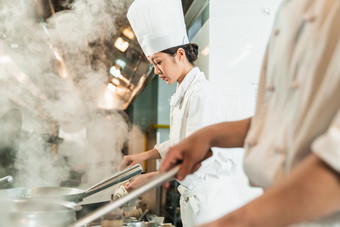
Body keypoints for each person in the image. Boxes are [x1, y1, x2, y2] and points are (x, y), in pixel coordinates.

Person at [160, 0, 340, 226]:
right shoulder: (292, 10)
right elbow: (288, 122)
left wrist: (233, 222)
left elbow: (334, 171)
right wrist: (208, 135)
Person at [119, 0, 251, 226]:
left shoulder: (202, 93)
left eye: (158, 62)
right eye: (153, 64)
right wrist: (144, 156)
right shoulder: (184, 91)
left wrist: (150, 179)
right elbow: (183, 143)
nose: (157, 71)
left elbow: (199, 154)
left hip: (213, 205)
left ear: (180, 54)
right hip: (196, 205)